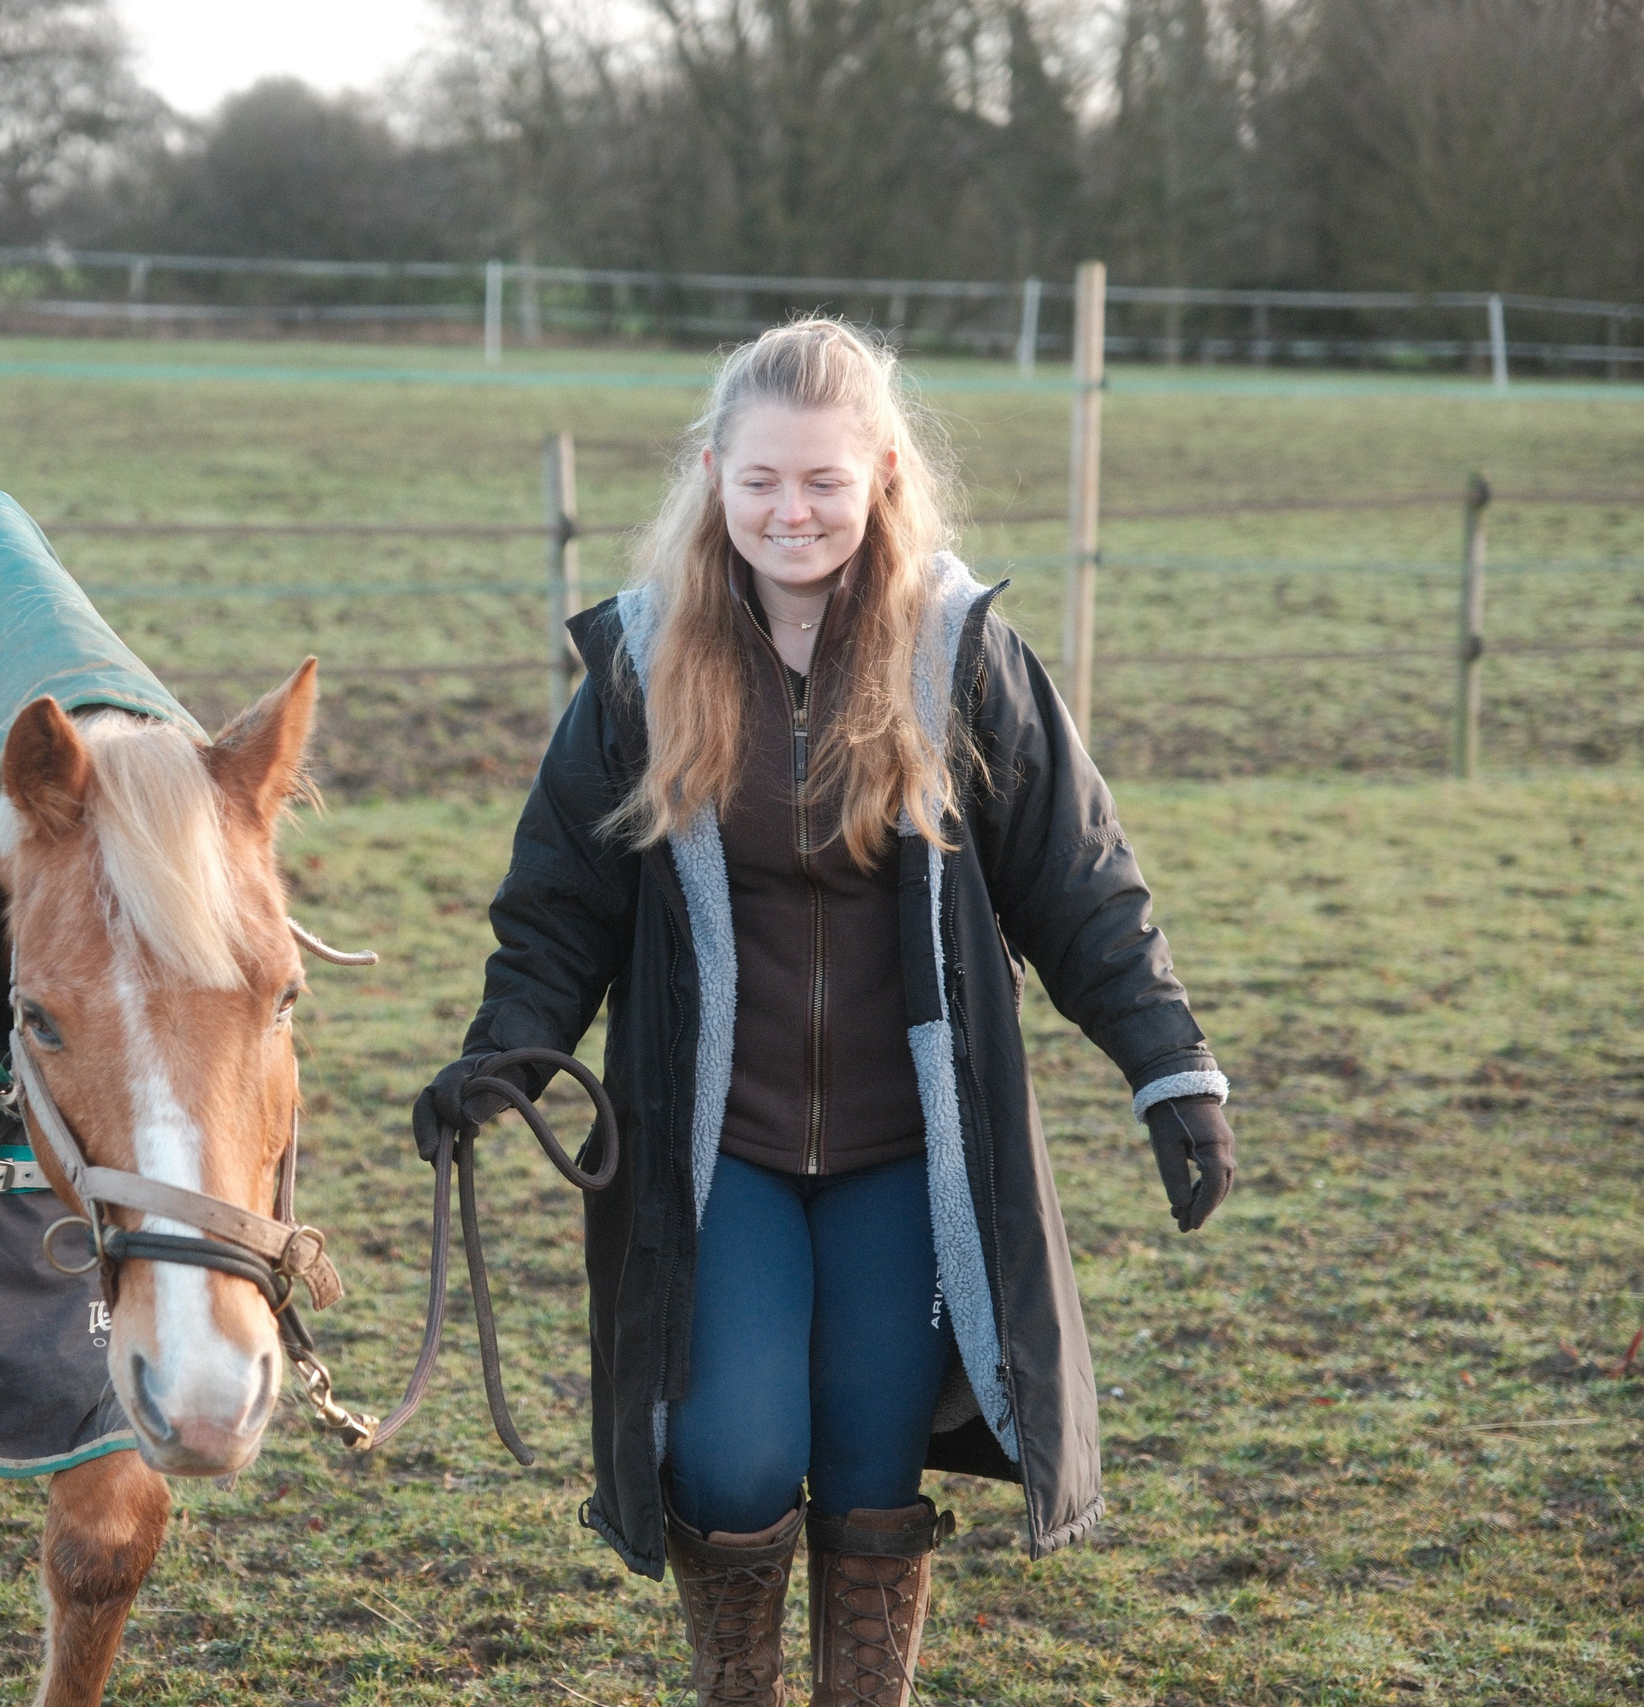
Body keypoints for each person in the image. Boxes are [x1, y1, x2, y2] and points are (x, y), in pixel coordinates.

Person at [414, 319, 1236, 1707]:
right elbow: (559, 902)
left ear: (883, 477)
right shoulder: (635, 670)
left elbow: (1081, 886)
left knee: (869, 1463)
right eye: (761, 482)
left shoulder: (965, 660)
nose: (791, 513)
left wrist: (1171, 1069)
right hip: (713, 1148)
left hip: (907, 1155)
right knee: (728, 1456)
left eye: (824, 483)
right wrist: (507, 1054)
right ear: (712, 475)